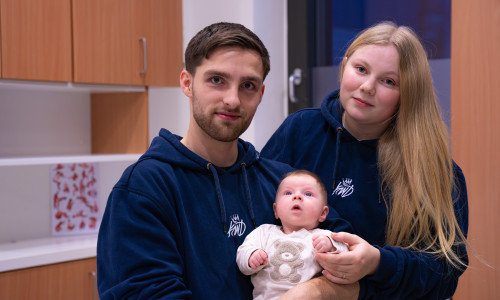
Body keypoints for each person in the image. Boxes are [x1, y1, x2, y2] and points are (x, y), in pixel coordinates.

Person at [261, 21, 469, 300]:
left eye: (389, 81)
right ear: (344, 65)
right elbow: (259, 212)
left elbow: (444, 275)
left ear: (409, 92)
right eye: (360, 70)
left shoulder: (436, 172)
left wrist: (376, 263)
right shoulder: (300, 129)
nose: (367, 87)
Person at [96, 22, 298, 299]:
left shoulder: (281, 183)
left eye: (248, 85)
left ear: (260, 95)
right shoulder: (144, 188)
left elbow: (344, 263)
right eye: (217, 80)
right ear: (187, 83)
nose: (233, 100)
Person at [236, 170, 349, 300]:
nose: (297, 196)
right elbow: (242, 254)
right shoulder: (264, 233)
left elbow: (346, 256)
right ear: (276, 210)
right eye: (288, 193)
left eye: (308, 194)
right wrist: (251, 256)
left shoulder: (323, 236)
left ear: (323, 213)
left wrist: (331, 246)